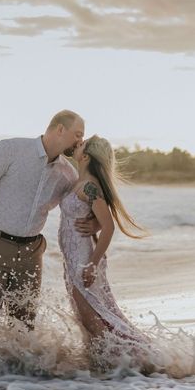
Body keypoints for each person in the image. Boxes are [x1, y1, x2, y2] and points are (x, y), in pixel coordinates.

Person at [0, 110, 96, 347]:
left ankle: (17, 380)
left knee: (24, 325)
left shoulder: (68, 174)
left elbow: (84, 203)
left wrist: (97, 222)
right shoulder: (11, 149)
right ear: (60, 129)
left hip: (31, 252)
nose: (80, 142)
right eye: (77, 135)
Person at [58, 135, 152, 369]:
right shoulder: (81, 182)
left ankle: (125, 365)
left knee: (92, 318)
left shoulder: (89, 187)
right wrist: (95, 224)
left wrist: (92, 264)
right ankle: (103, 364)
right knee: (89, 316)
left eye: (81, 144)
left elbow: (108, 226)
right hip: (72, 259)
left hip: (83, 259)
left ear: (86, 156)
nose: (77, 144)